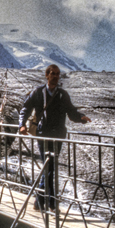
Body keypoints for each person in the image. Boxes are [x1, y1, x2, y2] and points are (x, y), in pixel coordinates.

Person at [18, 65, 91, 212]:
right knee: (49, 167)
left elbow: (71, 112)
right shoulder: (38, 92)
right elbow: (25, 108)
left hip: (58, 135)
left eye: (58, 74)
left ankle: (40, 203)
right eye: (53, 74)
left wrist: (81, 117)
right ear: (47, 75)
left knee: (50, 168)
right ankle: (51, 204)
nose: (56, 76)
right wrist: (22, 125)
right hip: (43, 134)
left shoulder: (63, 95)